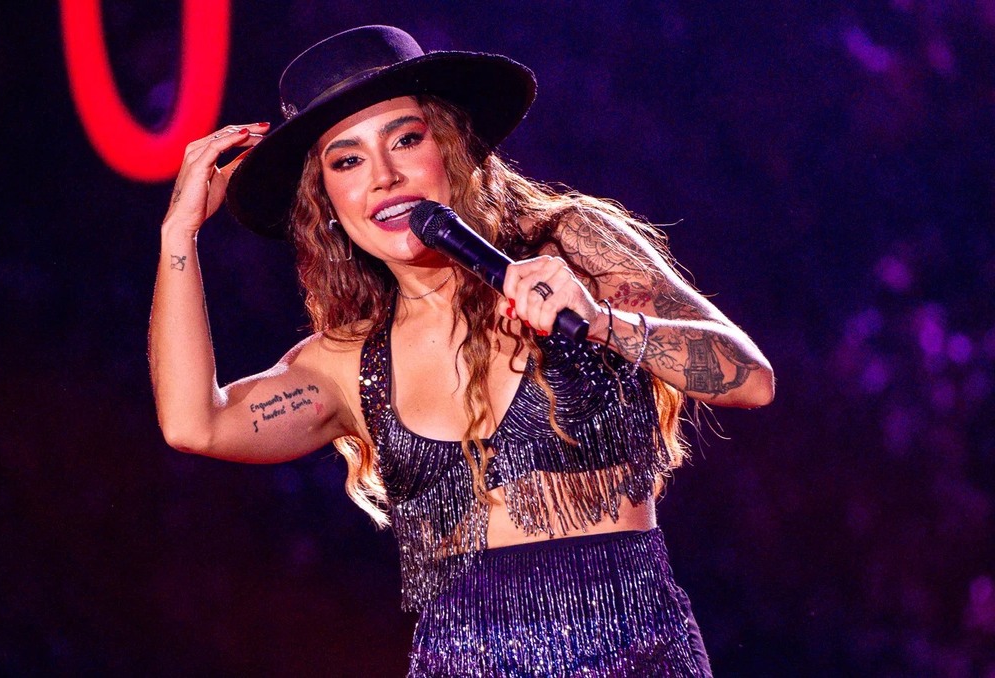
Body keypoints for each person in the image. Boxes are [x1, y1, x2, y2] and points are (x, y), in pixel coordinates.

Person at [149, 25, 773, 677]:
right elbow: (195, 423)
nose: (384, 177)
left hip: (639, 656)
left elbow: (751, 379)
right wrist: (179, 234)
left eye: (406, 140)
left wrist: (600, 322)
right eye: (348, 161)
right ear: (324, 199)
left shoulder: (573, 246)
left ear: (450, 146)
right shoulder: (348, 362)